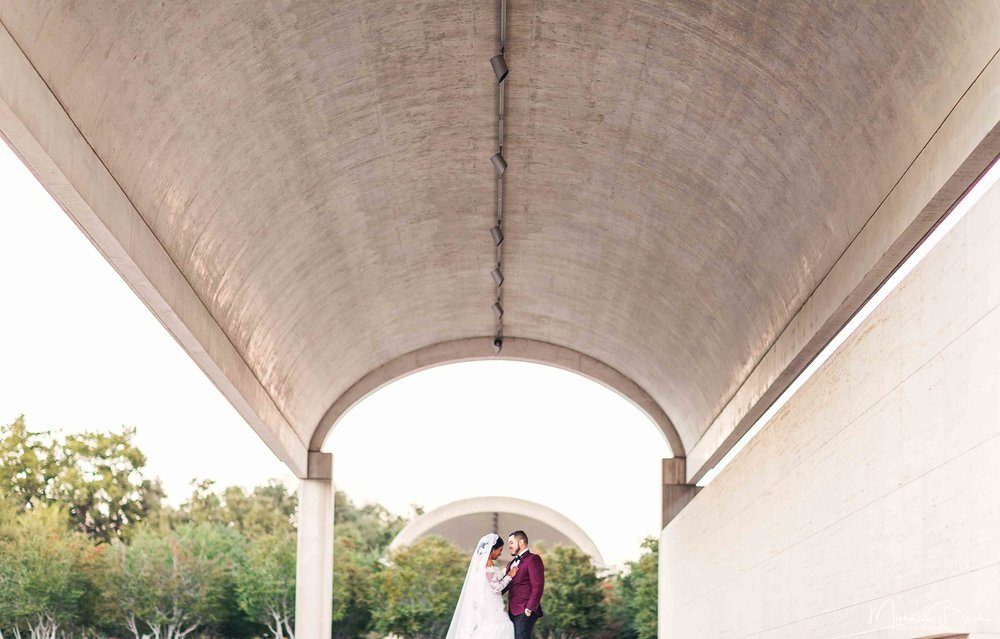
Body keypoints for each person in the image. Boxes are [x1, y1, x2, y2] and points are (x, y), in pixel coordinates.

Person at [446, 533, 518, 639]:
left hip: (487, 608)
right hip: (492, 609)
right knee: (501, 628)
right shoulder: (488, 567)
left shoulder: (480, 568)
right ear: (492, 549)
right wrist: (510, 575)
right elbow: (496, 587)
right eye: (500, 550)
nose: (500, 554)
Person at [503, 530, 544, 639]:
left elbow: (538, 585)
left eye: (511, 542)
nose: (509, 546)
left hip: (524, 610)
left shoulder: (533, 559)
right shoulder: (510, 564)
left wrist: (529, 608)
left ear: (521, 542)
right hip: (512, 610)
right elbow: (505, 585)